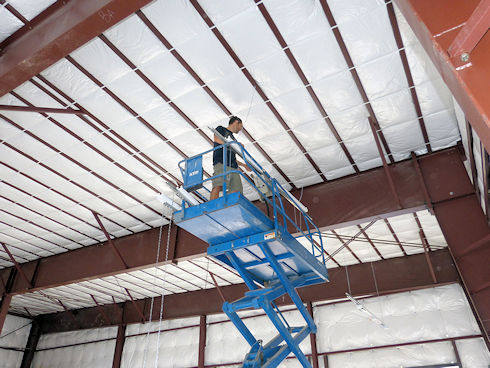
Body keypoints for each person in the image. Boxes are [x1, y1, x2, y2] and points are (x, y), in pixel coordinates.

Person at [210, 116, 250, 200]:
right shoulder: (221, 129)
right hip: (221, 162)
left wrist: (244, 165)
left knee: (237, 191)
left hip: (233, 167)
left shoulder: (233, 140)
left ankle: (232, 208)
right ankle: (211, 206)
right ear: (236, 122)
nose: (240, 129)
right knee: (218, 185)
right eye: (240, 126)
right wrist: (234, 145)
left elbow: (232, 156)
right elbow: (216, 139)